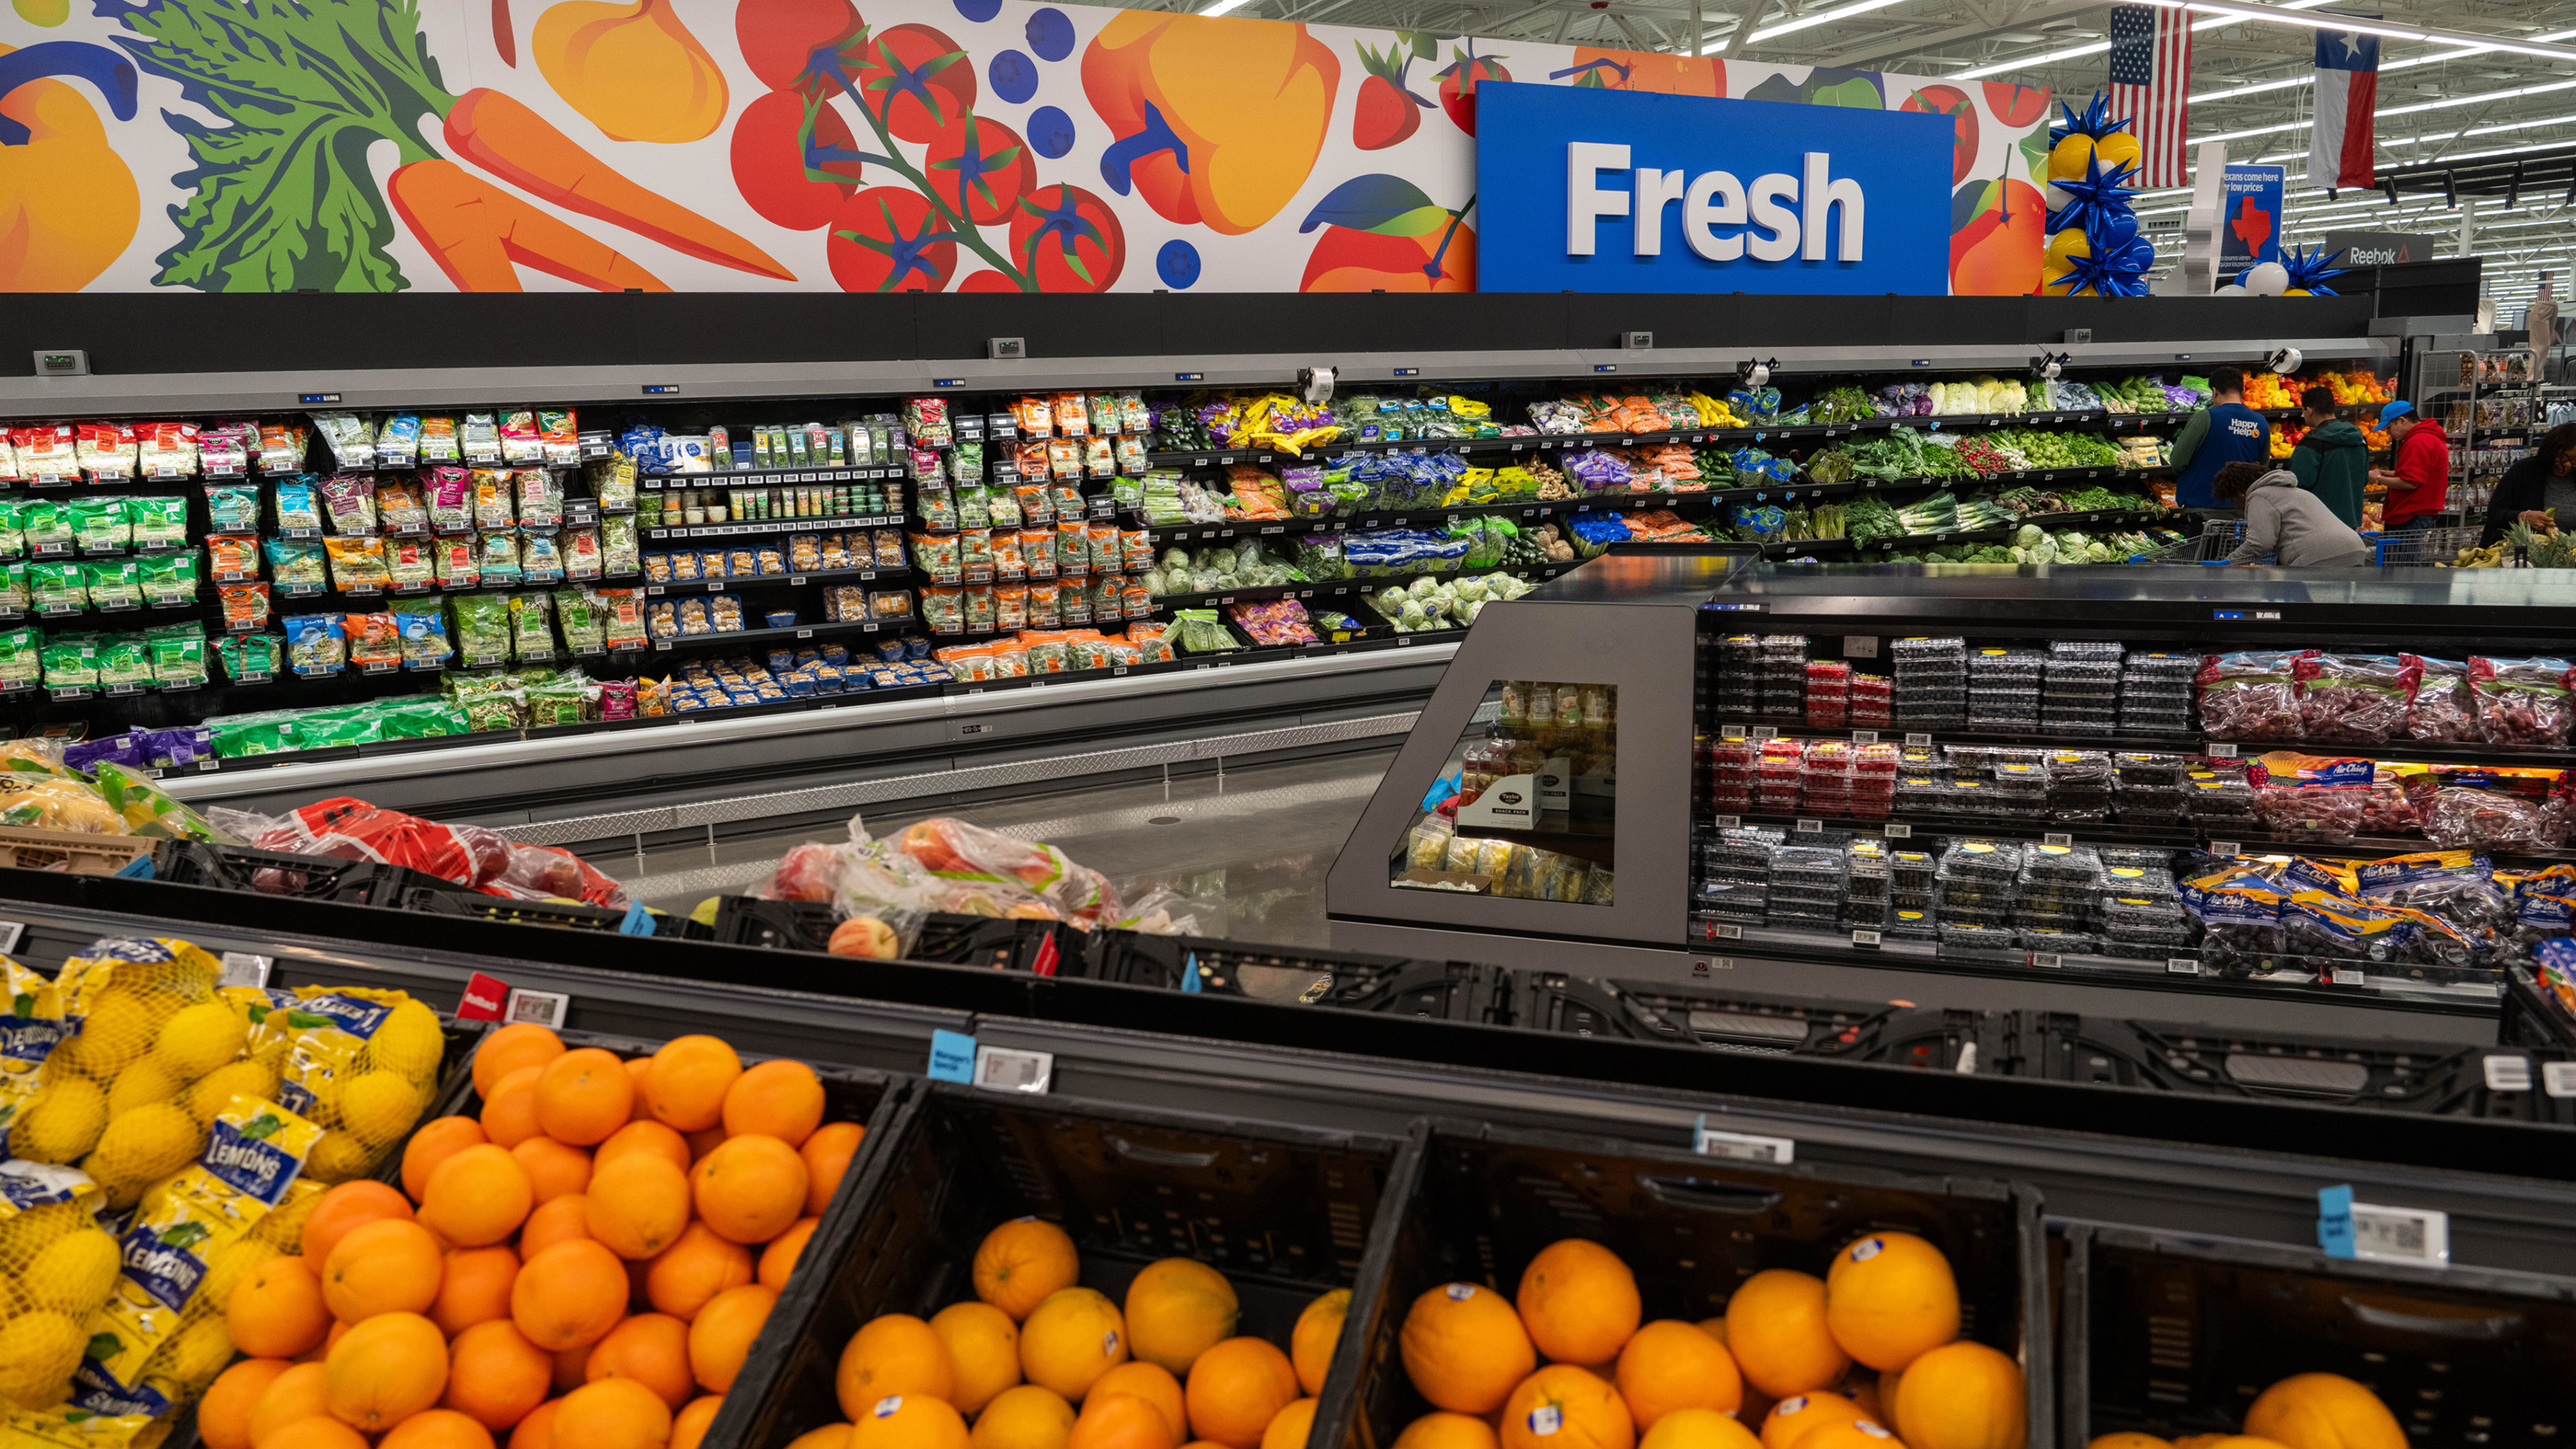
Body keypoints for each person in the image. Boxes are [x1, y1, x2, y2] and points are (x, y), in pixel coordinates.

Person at [2215, 460, 2374, 567]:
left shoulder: (2259, 496)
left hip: (2319, 556)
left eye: (2232, 499)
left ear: (2240, 493)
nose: (2236, 506)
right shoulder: (2293, 491)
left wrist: (2226, 564)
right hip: (2354, 548)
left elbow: (2260, 543)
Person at [2170, 366, 2269, 516]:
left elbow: (2178, 461)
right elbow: (2263, 467)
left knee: (2203, 540)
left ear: (2215, 392)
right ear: (2243, 391)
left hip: (2203, 505)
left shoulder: (2205, 418)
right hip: (2243, 507)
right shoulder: (2260, 422)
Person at [2477, 421, 2576, 546]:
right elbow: (2494, 513)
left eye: (2575, 460)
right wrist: (2521, 517)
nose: (2567, 465)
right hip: (2517, 556)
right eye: (2563, 457)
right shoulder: (2523, 471)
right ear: (2551, 450)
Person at [2284, 388, 2370, 530]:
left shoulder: (2312, 443)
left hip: (2317, 524)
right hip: (2350, 523)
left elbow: (2298, 485)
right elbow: (2364, 478)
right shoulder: (2359, 439)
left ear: (2309, 410)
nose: (2304, 415)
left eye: (2303, 411)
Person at [2369, 400, 2450, 533]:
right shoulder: (2429, 437)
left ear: (2402, 421)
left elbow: (2410, 482)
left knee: (2400, 554)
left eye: (2389, 428)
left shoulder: (2417, 442)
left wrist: (2379, 479)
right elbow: (2413, 473)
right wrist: (2384, 473)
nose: (2389, 435)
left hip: (2410, 516)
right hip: (2420, 513)